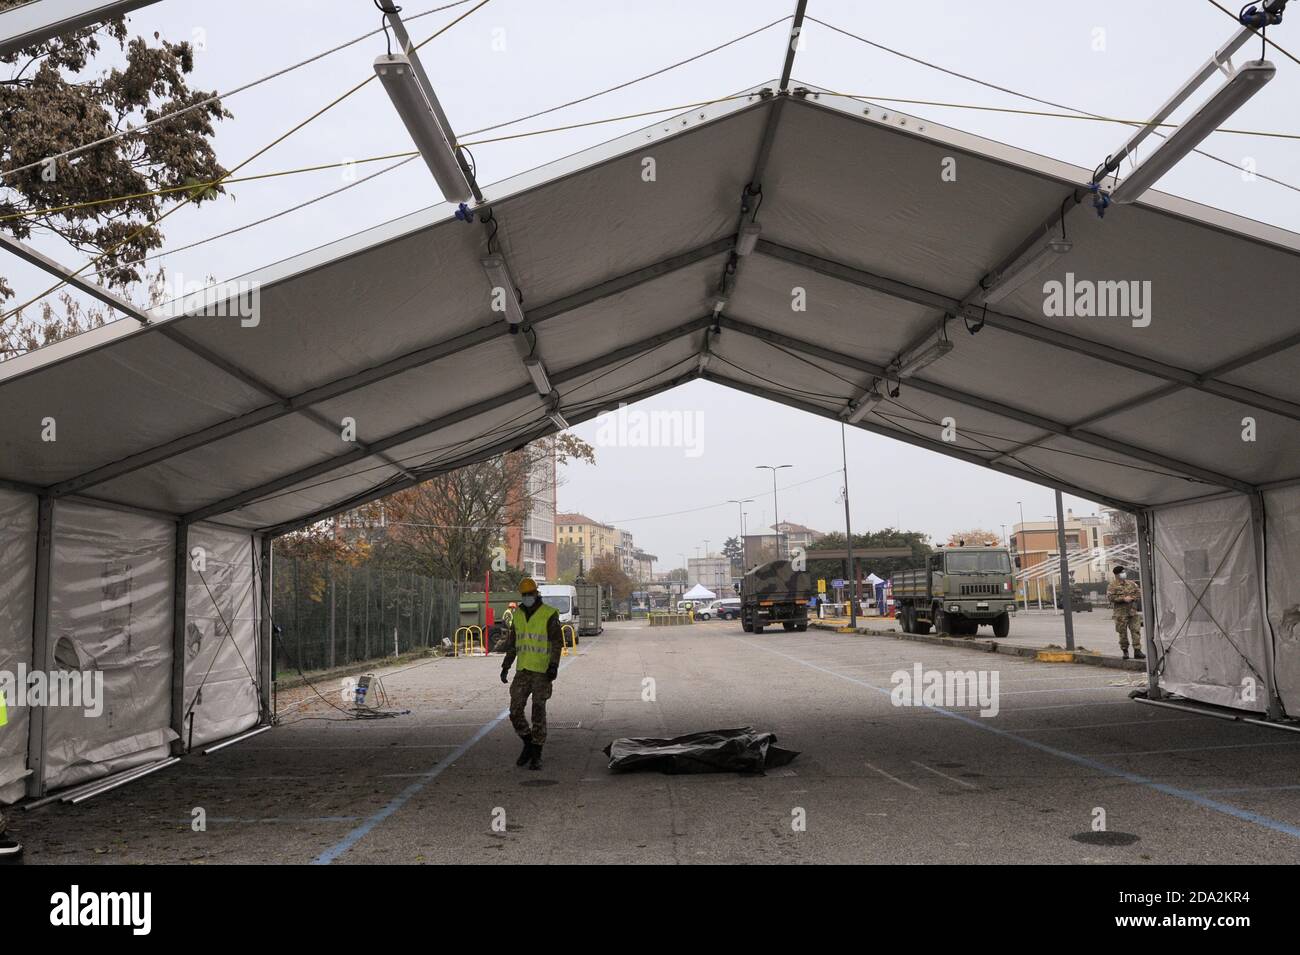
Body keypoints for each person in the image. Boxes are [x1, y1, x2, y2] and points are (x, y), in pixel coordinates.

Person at [498, 577, 562, 771]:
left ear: (536, 594)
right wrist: (506, 665)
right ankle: (527, 741)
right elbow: (513, 643)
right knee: (515, 710)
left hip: (542, 671)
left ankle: (536, 752)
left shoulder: (549, 614)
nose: (527, 597)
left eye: (529, 594)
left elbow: (556, 643)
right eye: (524, 595)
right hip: (523, 670)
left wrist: (554, 665)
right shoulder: (517, 615)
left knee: (538, 711)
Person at [1107, 565, 1145, 661]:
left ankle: (1137, 651)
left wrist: (1132, 598)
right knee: (1122, 633)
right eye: (1122, 572)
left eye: (1124, 572)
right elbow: (1110, 598)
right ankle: (1125, 651)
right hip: (1120, 614)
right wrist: (1123, 599)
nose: (1124, 574)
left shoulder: (1132, 584)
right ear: (1117, 574)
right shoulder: (1112, 586)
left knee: (1136, 631)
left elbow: (1139, 593)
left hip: (1132, 611)